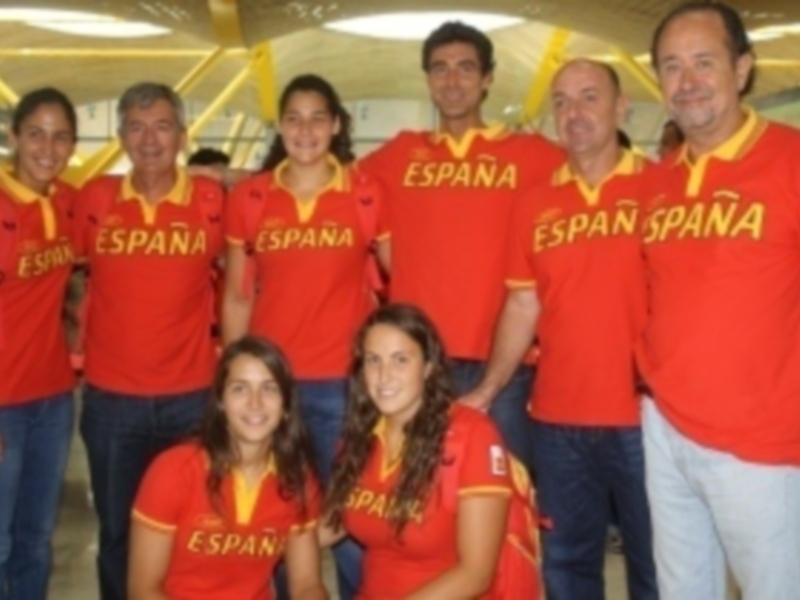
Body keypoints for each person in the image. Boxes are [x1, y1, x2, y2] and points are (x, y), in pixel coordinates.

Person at [461, 59, 658, 599]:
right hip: (557, 424)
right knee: (567, 567)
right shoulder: (535, 204)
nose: (575, 113)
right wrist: (488, 388)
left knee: (657, 565)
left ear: (622, 108)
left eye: (590, 97)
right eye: (563, 101)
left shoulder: (663, 188)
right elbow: (522, 306)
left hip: (647, 420)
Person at [640, 2, 800, 599]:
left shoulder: (790, 160)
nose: (688, 82)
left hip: (762, 443)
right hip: (666, 426)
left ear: (743, 68)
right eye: (672, 67)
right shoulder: (659, 181)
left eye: (704, 62)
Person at [360, 22, 563, 470]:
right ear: (428, 79)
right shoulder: (399, 155)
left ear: (488, 78)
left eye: (466, 69)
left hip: (502, 366)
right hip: (419, 362)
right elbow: (321, 179)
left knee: (506, 495)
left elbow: (608, 177)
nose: (452, 81)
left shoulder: (533, 156)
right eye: (440, 69)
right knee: (420, 492)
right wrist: (227, 179)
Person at [223, 73, 384, 600]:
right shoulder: (250, 197)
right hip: (272, 391)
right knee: (278, 517)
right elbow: (238, 297)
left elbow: (399, 282)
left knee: (352, 522)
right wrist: (228, 380)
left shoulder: (363, 193)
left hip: (344, 387)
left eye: (318, 117)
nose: (306, 129)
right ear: (279, 126)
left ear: (336, 125)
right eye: (293, 117)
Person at [72, 82, 225, 600]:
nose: (150, 139)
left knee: (191, 534)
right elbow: (49, 266)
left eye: (162, 125)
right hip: (112, 403)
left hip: (193, 400)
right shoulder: (94, 200)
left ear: (183, 135)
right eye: (136, 127)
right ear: (120, 137)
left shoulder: (209, 200)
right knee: (118, 535)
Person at [322, 304, 539, 599]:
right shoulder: (362, 435)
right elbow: (334, 522)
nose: (384, 375)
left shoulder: (472, 435)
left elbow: (476, 574)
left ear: (427, 367)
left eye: (400, 360)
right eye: (373, 360)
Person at [128, 336, 328, 600]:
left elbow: (306, 585)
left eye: (269, 388)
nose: (255, 403)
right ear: (220, 403)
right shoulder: (174, 471)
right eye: (240, 389)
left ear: (287, 406)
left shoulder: (297, 479)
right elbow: (143, 591)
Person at [0, 87, 77, 600]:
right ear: (13, 137)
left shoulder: (67, 202)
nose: (47, 148)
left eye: (60, 137)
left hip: (52, 400)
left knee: (35, 540)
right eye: (36, 134)